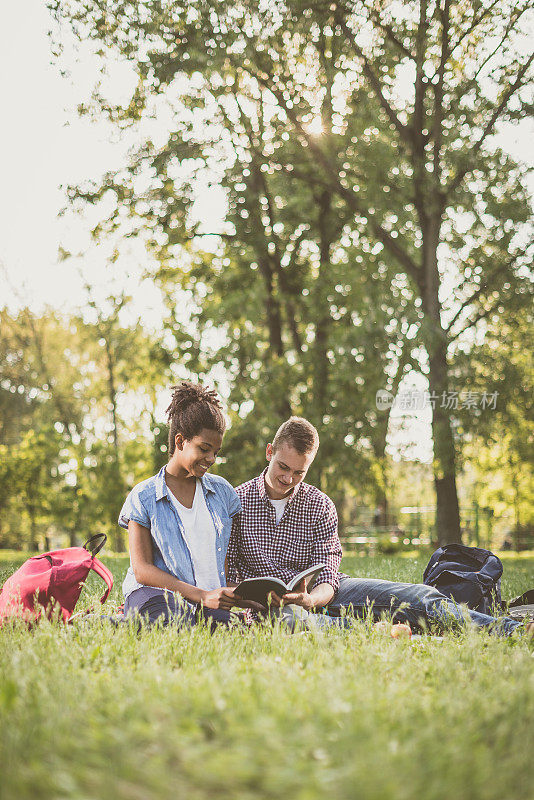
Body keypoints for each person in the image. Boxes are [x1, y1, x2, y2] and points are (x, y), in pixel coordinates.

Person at [227, 417, 533, 637]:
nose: (289, 479)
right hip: (274, 609)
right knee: (291, 622)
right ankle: (381, 632)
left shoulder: (319, 505)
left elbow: (330, 576)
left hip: (324, 595)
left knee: (420, 595)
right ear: (270, 452)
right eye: (283, 467)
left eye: (299, 472)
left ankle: (513, 630)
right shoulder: (235, 502)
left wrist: (311, 599)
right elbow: (227, 576)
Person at [119, 382, 258, 628]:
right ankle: (107, 622)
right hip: (154, 593)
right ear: (180, 441)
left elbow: (225, 557)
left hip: (209, 598)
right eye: (204, 449)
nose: (211, 459)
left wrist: (225, 594)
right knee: (175, 621)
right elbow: (142, 570)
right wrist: (200, 595)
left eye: (216, 451)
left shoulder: (222, 492)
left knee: (230, 630)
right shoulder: (144, 496)